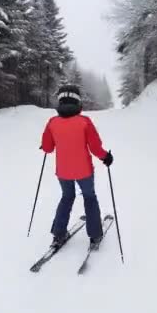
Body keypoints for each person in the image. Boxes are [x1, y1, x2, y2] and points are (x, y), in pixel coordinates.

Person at [40, 84, 113, 250]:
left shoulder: (53, 122)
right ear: (78, 102)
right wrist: (106, 157)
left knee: (67, 197)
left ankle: (59, 234)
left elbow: (48, 148)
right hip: (84, 171)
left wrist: (45, 145)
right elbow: (95, 148)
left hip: (63, 172)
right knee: (89, 197)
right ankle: (95, 236)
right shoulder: (84, 122)